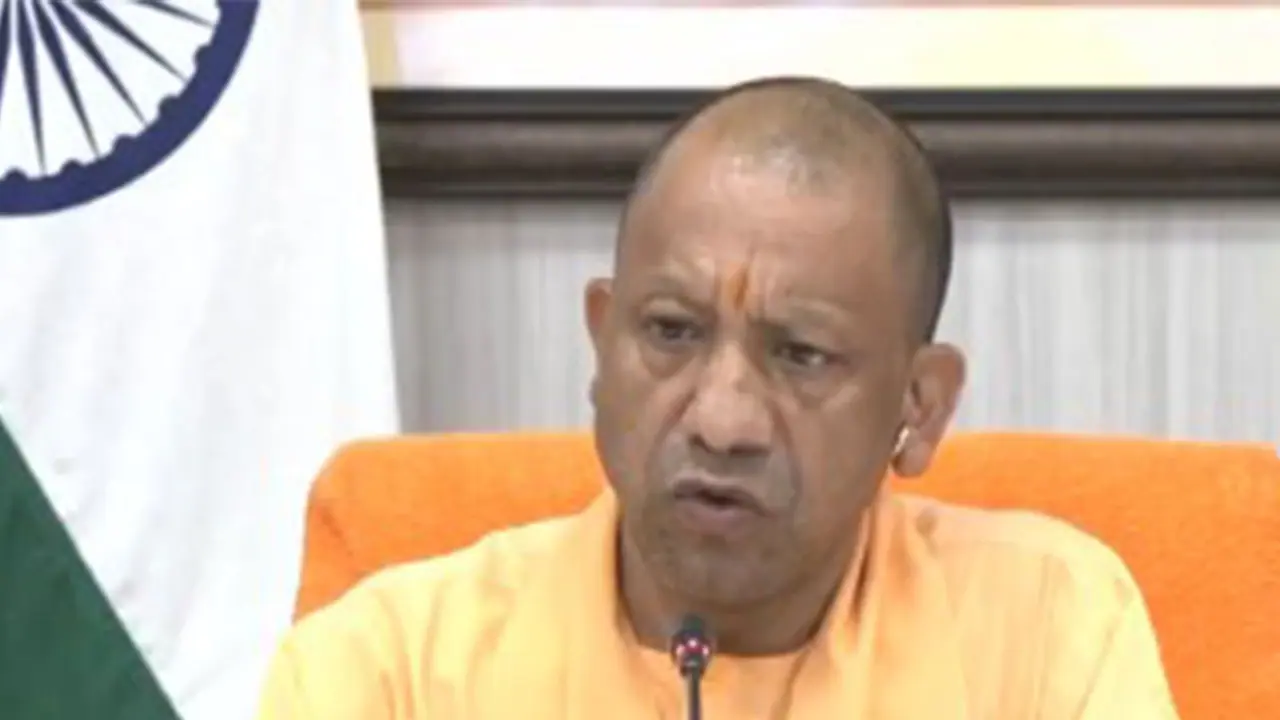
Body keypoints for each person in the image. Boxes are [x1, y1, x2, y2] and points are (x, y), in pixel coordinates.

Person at [256, 77, 1179, 719]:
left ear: (920, 405)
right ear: (601, 342)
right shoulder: (386, 671)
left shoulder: (1047, 628)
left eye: (801, 355)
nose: (722, 420)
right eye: (671, 331)